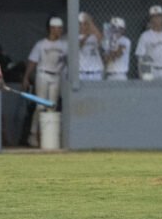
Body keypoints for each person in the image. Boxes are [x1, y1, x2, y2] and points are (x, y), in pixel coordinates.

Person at [22, 16, 67, 147]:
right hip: (43, 74)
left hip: (56, 76)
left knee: (51, 106)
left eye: (60, 28)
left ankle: (50, 136)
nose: (59, 31)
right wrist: (26, 77)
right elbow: (33, 61)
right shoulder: (41, 44)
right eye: (57, 28)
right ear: (51, 29)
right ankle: (33, 134)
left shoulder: (64, 45)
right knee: (40, 105)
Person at [102, 17, 131, 81]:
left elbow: (117, 54)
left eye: (118, 28)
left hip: (120, 75)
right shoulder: (107, 41)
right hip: (108, 75)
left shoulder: (125, 41)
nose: (115, 30)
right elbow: (105, 59)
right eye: (113, 28)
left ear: (123, 30)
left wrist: (110, 53)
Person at [78, 12, 104, 81]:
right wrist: (87, 34)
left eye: (86, 24)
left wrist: (90, 22)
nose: (83, 26)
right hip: (82, 72)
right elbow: (79, 45)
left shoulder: (95, 36)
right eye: (81, 24)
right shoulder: (75, 36)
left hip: (96, 72)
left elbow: (101, 40)